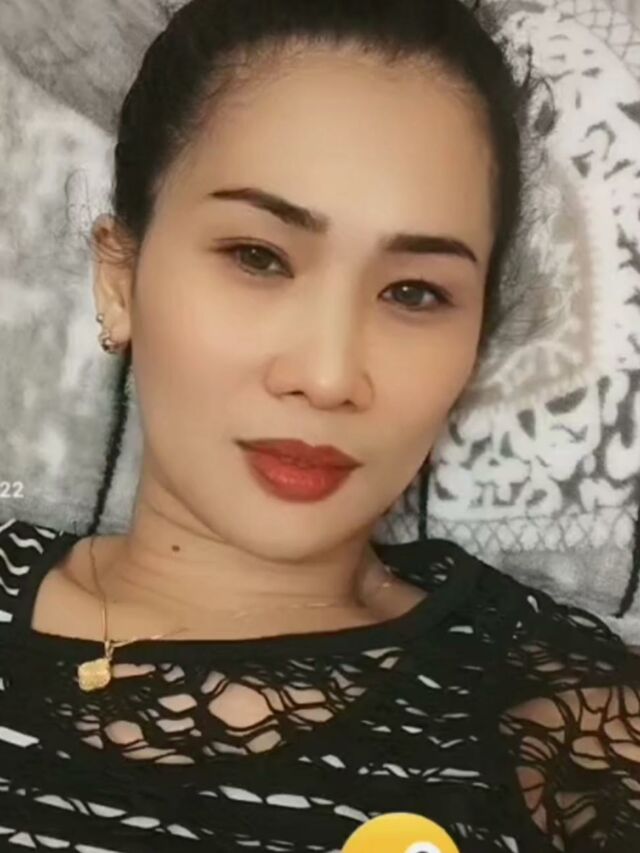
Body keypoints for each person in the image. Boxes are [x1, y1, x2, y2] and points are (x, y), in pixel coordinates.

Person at [0, 0, 638, 850]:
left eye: (415, 292)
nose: (330, 376)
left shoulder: (557, 724)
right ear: (121, 280)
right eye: (258, 256)